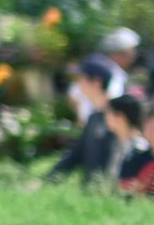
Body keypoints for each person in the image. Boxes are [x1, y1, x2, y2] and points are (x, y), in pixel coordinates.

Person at [47, 56, 130, 185]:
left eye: (81, 79)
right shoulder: (94, 118)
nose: (78, 85)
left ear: (96, 82)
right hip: (91, 194)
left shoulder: (119, 117)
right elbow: (76, 155)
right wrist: (46, 180)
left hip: (111, 195)